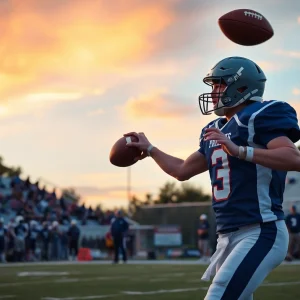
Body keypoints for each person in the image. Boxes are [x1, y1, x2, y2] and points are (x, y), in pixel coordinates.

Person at [125, 56, 300, 300]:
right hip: (227, 236)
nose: (214, 92)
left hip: (261, 230)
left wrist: (239, 150)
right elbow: (182, 170)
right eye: (213, 86)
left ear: (241, 87)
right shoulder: (215, 128)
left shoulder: (257, 116)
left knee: (219, 295)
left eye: (219, 85)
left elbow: (293, 158)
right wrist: (151, 149)